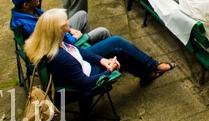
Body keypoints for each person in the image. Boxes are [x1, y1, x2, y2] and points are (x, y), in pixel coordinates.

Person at [24, 9, 174, 98]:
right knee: (120, 52)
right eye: (66, 22)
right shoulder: (60, 57)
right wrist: (110, 69)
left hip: (82, 62)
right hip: (88, 73)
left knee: (116, 42)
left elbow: (78, 50)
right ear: (58, 29)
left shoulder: (54, 41)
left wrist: (102, 60)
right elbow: (84, 84)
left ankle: (149, 69)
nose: (69, 22)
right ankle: (151, 69)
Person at [10, 0, 111, 44]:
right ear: (26, 4)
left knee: (82, 14)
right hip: (65, 45)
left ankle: (89, 46)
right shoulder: (29, 26)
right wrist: (75, 37)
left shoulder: (30, 11)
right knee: (103, 31)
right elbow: (55, 44)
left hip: (63, 34)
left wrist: (70, 29)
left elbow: (53, 24)